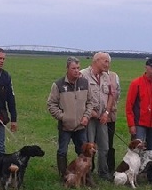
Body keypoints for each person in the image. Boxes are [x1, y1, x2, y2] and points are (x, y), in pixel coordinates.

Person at [46, 56, 95, 180]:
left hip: (81, 125)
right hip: (65, 126)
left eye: (78, 68)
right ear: (67, 68)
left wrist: (86, 116)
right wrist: (63, 117)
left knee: (83, 151)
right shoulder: (58, 85)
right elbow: (51, 104)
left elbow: (90, 102)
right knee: (62, 151)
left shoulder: (84, 83)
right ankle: (64, 176)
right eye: (73, 68)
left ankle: (85, 176)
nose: (77, 70)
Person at [125, 57, 152, 184]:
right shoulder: (136, 83)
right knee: (138, 151)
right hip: (140, 123)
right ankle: (133, 176)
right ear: (146, 68)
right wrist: (132, 124)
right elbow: (129, 106)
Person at [80, 52, 116, 180]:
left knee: (104, 146)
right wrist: (92, 113)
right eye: (105, 61)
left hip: (103, 118)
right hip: (89, 117)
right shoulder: (83, 74)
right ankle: (87, 172)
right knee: (89, 147)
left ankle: (103, 172)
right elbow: (80, 97)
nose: (108, 64)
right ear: (96, 61)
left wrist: (106, 113)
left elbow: (112, 95)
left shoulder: (107, 76)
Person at [105, 68, 122, 172]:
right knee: (92, 142)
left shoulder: (114, 76)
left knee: (109, 143)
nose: (106, 64)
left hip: (110, 116)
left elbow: (117, 93)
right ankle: (91, 168)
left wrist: (112, 106)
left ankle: (110, 169)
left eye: (108, 62)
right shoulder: (86, 73)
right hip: (94, 116)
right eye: (104, 61)